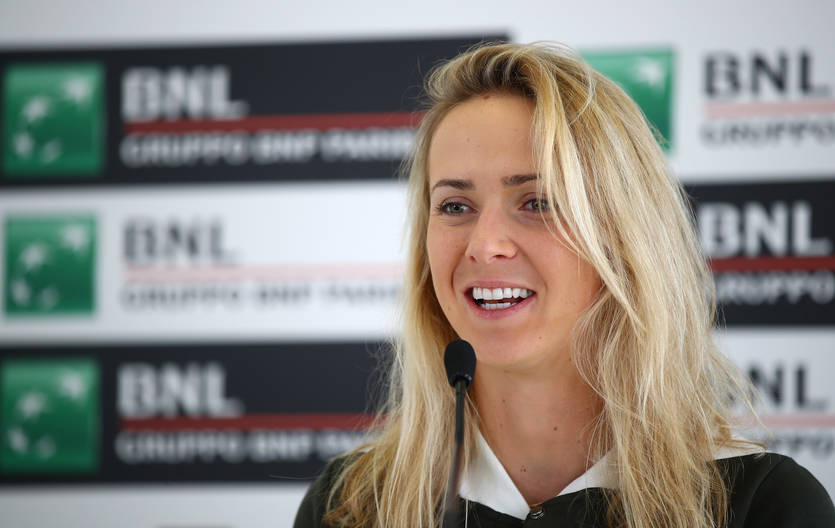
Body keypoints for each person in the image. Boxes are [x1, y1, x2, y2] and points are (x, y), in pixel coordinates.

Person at [294, 42, 834, 528]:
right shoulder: (350, 505)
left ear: (623, 236)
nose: (485, 244)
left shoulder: (760, 505)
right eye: (455, 206)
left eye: (538, 202)